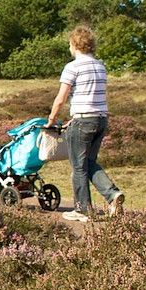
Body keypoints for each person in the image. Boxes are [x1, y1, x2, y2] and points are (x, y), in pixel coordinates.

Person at [48, 25, 126, 222]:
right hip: (100, 119)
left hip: (83, 121)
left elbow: (61, 98)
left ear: (75, 44)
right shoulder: (100, 66)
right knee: (89, 162)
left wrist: (51, 120)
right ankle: (112, 194)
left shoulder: (72, 67)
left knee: (79, 167)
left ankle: (82, 210)